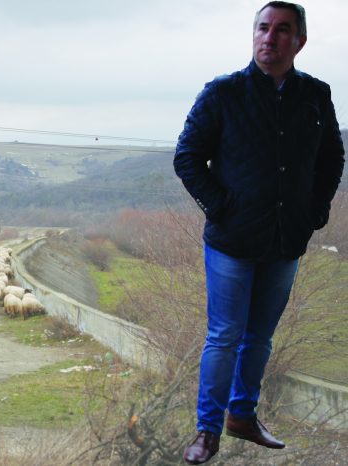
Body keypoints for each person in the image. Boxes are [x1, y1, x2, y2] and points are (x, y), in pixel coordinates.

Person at [173, 2, 345, 464]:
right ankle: (207, 430)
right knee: (224, 336)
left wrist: (315, 210)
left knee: (260, 338)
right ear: (254, 36)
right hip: (231, 242)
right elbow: (187, 157)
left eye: (282, 30)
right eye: (263, 28)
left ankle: (243, 416)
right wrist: (221, 208)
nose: (270, 37)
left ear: (299, 41)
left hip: (286, 241)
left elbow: (332, 157)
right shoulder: (223, 93)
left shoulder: (316, 95)